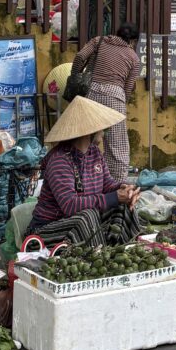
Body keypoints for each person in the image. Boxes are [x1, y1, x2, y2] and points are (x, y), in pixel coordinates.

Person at [27, 95, 142, 246]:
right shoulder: (59, 160)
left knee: (122, 208)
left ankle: (128, 253)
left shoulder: (94, 152)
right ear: (89, 131)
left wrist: (124, 189)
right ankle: (99, 260)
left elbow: (107, 184)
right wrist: (114, 197)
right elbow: (70, 205)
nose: (103, 132)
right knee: (87, 216)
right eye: (101, 128)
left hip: (77, 224)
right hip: (45, 231)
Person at [71, 22, 141, 183]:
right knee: (117, 143)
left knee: (86, 138)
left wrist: (75, 75)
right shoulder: (133, 58)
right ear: (133, 41)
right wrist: (122, 102)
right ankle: (116, 182)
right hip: (115, 96)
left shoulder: (99, 41)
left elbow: (80, 56)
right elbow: (128, 88)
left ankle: (80, 175)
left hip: (92, 93)